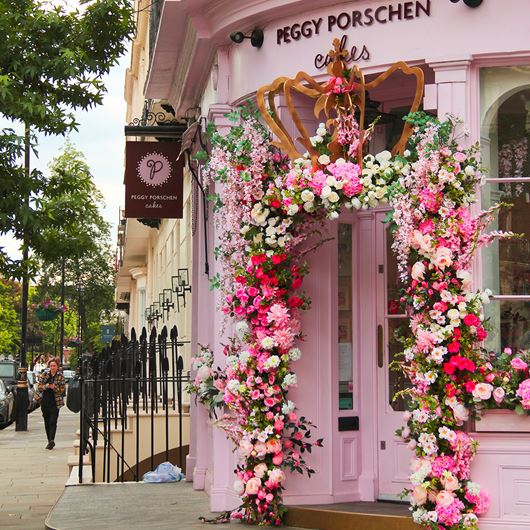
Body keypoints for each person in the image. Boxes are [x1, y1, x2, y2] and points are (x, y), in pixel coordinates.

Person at [37, 358, 66, 450]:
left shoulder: (60, 376)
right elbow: (39, 387)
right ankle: (49, 440)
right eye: (51, 366)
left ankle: (52, 440)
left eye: (54, 366)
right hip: (45, 401)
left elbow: (62, 390)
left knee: (53, 421)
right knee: (46, 421)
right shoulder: (44, 375)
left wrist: (54, 387)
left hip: (55, 402)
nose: (52, 367)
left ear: (57, 367)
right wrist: (47, 386)